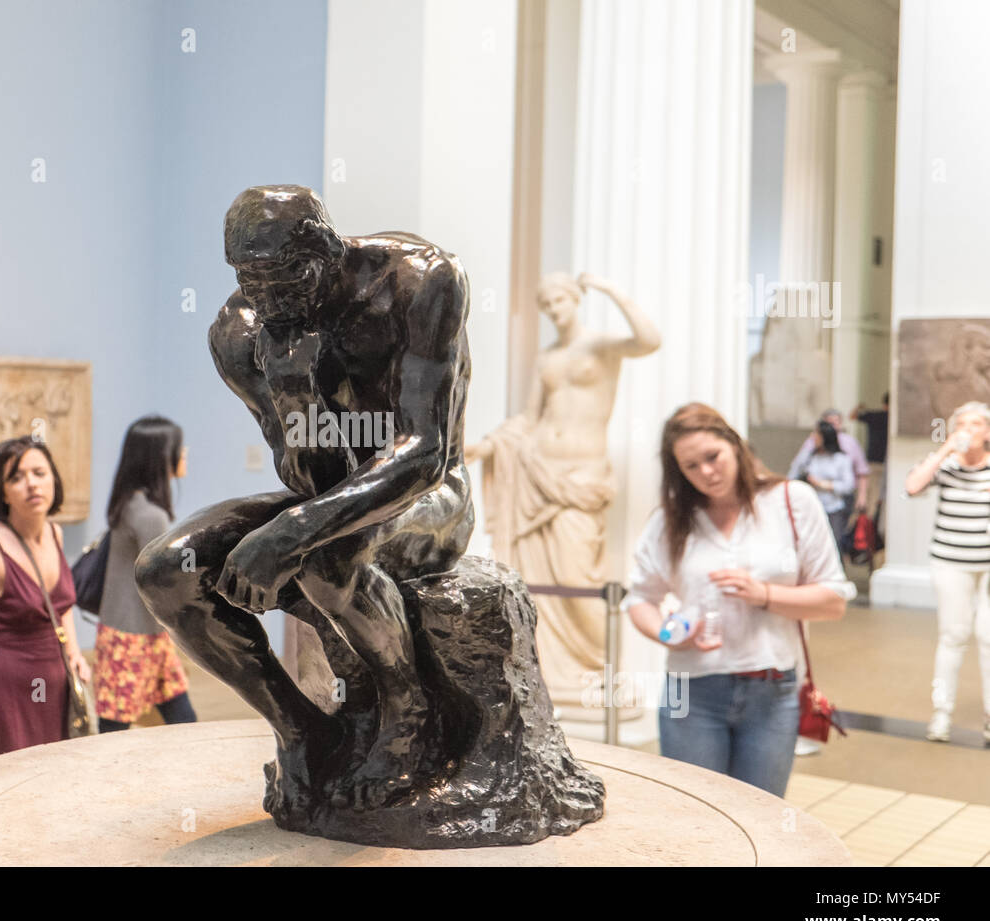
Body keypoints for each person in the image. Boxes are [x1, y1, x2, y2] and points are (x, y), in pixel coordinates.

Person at [135, 185, 472, 812]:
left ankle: (409, 707)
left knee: (325, 554)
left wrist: (293, 532)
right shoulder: (240, 332)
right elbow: (306, 481)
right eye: (249, 281)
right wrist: (294, 393)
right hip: (334, 494)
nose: (267, 299)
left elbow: (425, 452)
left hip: (432, 495)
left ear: (325, 247)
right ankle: (300, 728)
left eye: (284, 277)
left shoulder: (421, 282)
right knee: (163, 570)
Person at [626, 403, 855, 797]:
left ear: (734, 444)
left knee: (759, 817)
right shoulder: (669, 521)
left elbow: (833, 600)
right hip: (689, 689)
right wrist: (668, 632)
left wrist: (764, 594)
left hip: (771, 687)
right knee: (695, 816)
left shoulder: (791, 501)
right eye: (690, 467)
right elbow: (639, 598)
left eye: (712, 457)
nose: (706, 473)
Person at [465, 271, 659, 703]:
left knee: (578, 578)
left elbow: (649, 340)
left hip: (581, 477)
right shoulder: (547, 357)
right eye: (547, 304)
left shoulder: (602, 346)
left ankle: (602, 669)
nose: (554, 310)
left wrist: (612, 287)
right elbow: (530, 418)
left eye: (560, 300)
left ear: (575, 298)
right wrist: (486, 446)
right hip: (537, 473)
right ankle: (551, 669)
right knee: (536, 584)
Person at [0, 436, 90, 770]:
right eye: (16, 477)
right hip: (3, 698)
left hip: (52, 694)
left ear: (53, 479)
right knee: (1, 795)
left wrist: (73, 653)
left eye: (39, 472)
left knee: (46, 790)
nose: (31, 484)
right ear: (3, 492)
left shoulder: (55, 534)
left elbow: (60, 606)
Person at [95, 416, 196, 730]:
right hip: (136, 638)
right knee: (115, 730)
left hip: (130, 632)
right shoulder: (151, 515)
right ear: (162, 457)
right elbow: (162, 580)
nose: (186, 453)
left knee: (179, 718)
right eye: (180, 448)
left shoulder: (129, 503)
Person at [903, 401, 990, 744]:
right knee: (953, 635)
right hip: (950, 562)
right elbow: (912, 487)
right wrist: (944, 451)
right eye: (962, 424)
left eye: (977, 424)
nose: (969, 430)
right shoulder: (946, 466)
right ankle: (942, 713)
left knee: (988, 638)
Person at [789, 408, 870, 518]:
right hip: (815, 501)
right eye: (830, 423)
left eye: (837, 422)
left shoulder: (849, 445)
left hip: (839, 499)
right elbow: (796, 467)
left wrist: (862, 496)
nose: (834, 426)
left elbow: (861, 471)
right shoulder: (812, 444)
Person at [790, 420, 856, 554]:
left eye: (817, 434)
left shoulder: (841, 459)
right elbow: (793, 474)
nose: (813, 437)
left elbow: (849, 485)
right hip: (811, 507)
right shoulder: (809, 456)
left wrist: (824, 484)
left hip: (833, 508)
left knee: (833, 546)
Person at [851, 393, 889, 536]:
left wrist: (860, 407)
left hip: (873, 462)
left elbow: (852, 416)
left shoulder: (875, 416)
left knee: (869, 501)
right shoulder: (891, 418)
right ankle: (868, 534)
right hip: (885, 463)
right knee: (876, 501)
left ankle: (864, 533)